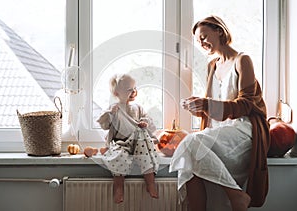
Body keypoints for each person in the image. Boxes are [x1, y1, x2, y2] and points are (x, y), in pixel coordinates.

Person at [169, 16, 270, 211]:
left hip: (243, 130)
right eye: (199, 40)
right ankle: (235, 196)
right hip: (221, 132)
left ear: (220, 32)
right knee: (189, 162)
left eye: (204, 36)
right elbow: (213, 109)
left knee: (191, 144)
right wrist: (198, 108)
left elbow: (246, 104)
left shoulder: (242, 60)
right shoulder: (212, 66)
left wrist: (206, 105)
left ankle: (236, 195)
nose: (202, 43)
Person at [97, 74, 159, 204]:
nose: (133, 91)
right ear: (116, 93)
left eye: (134, 88)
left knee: (145, 151)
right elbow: (104, 125)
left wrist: (144, 122)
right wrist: (110, 114)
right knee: (118, 157)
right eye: (128, 89)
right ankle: (118, 187)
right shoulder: (114, 108)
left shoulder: (138, 108)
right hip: (121, 143)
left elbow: (149, 122)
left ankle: (150, 182)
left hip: (138, 143)